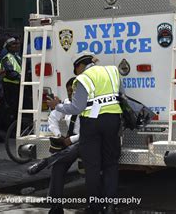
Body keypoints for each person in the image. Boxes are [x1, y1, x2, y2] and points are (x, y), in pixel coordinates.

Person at [47, 53, 122, 214]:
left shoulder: (82, 79)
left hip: (92, 125)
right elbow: (119, 95)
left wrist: (57, 106)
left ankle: (94, 207)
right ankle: (110, 206)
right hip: (113, 120)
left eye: (77, 70)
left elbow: (77, 108)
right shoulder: (112, 71)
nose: (77, 73)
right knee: (111, 164)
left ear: (81, 66)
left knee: (92, 167)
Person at [28, 77, 80, 214]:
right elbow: (52, 117)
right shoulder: (67, 103)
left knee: (70, 150)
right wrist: (58, 135)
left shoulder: (86, 104)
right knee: (58, 166)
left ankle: (45, 162)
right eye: (68, 91)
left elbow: (89, 131)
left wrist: (71, 140)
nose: (70, 94)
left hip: (85, 140)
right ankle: (56, 207)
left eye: (73, 91)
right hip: (70, 143)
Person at [1, 37, 22, 128]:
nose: (17, 45)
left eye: (17, 43)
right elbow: (10, 73)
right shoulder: (6, 58)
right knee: (11, 109)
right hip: (10, 86)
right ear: (8, 47)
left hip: (18, 85)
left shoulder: (18, 57)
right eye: (14, 44)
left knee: (17, 108)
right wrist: (22, 78)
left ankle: (17, 127)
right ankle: (10, 129)